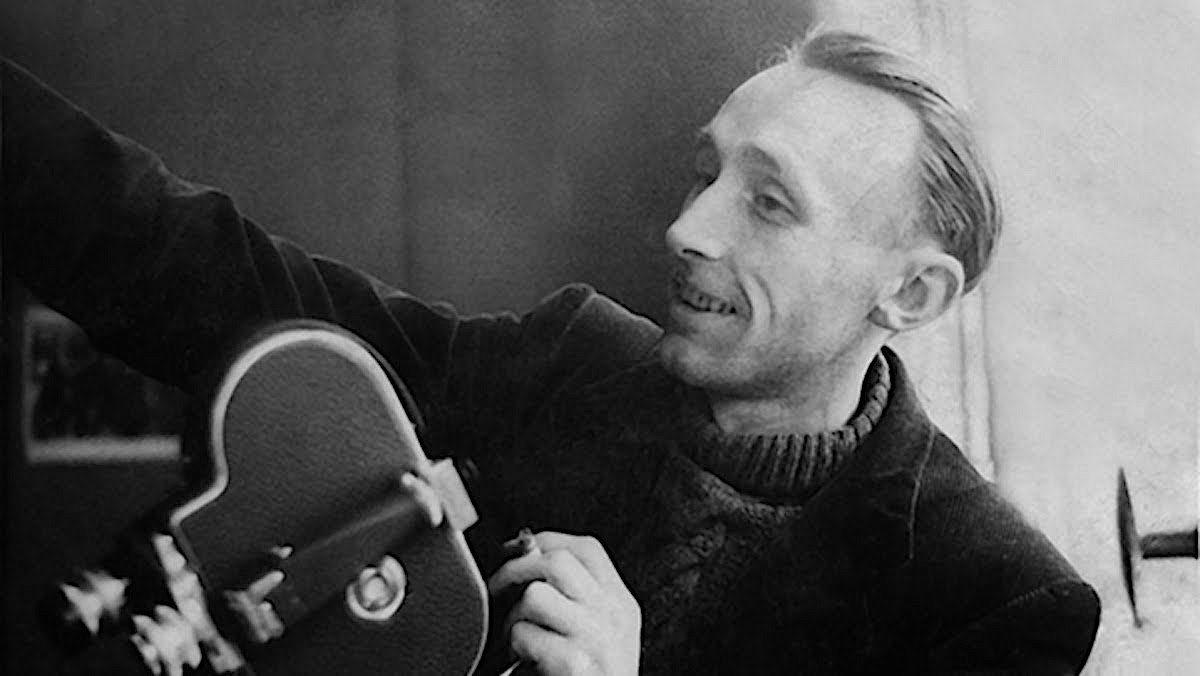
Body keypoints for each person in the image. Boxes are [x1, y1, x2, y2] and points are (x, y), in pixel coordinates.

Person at [3, 27, 1100, 675]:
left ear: (911, 292)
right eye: (705, 173)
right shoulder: (573, 359)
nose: (689, 228)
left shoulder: (995, 601)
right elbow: (203, 275)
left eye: (768, 202)